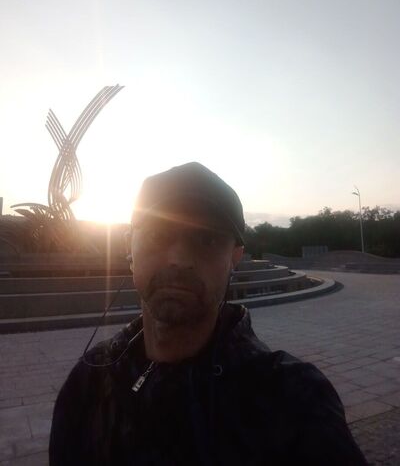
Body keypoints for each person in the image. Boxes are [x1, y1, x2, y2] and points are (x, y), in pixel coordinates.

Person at [49, 162, 367, 465]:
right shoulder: (89, 382)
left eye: (206, 239)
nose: (178, 259)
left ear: (234, 258)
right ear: (128, 247)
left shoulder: (293, 400)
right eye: (158, 234)